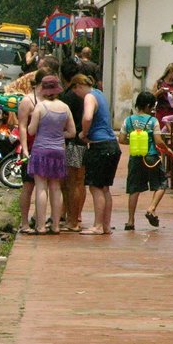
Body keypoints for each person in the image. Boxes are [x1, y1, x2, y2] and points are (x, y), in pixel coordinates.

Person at [72, 73, 121, 235]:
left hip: (99, 146)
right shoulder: (99, 94)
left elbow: (87, 117)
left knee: (96, 187)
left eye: (75, 91)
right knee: (105, 188)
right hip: (112, 145)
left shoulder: (89, 97)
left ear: (78, 86)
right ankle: (106, 225)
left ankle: (98, 225)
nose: (77, 96)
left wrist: (83, 134)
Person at [26, 75, 75, 235]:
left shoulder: (40, 107)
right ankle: (55, 225)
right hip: (58, 150)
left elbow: (31, 130)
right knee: (56, 187)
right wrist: (59, 135)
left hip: (41, 150)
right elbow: (72, 132)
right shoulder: (65, 107)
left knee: (41, 188)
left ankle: (40, 225)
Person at [119, 91, 168, 230]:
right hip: (152, 156)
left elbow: (121, 139)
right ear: (147, 106)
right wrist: (167, 149)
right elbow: (158, 141)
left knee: (134, 188)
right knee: (161, 183)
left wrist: (134, 141)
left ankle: (130, 221)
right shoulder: (153, 121)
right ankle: (151, 208)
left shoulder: (128, 120)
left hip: (135, 157)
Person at [59, 59, 87, 232]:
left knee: (71, 182)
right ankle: (76, 215)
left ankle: (72, 218)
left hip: (71, 142)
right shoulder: (85, 95)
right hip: (82, 141)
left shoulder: (68, 97)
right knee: (80, 181)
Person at [16, 70, 44, 233]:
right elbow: (22, 126)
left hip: (45, 149)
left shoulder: (50, 100)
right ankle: (24, 222)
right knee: (28, 185)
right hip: (31, 148)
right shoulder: (28, 101)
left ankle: (37, 219)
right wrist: (25, 149)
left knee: (45, 187)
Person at [151, 62, 173, 127]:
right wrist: (159, 92)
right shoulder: (159, 82)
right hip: (161, 111)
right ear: (171, 71)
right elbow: (152, 98)